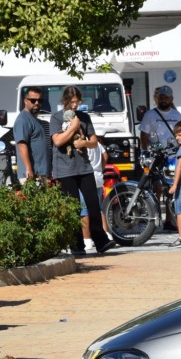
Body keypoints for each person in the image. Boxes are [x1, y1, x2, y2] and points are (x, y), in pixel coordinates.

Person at [50, 86, 116, 255]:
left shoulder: (85, 117)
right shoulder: (56, 118)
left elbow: (94, 141)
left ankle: (101, 241)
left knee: (93, 205)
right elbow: (57, 141)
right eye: (71, 102)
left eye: (77, 102)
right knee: (73, 209)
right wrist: (73, 127)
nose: (74, 105)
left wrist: (84, 143)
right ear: (64, 101)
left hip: (85, 168)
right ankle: (76, 244)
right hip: (65, 170)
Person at [14, 86, 51, 180]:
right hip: (32, 175)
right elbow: (22, 145)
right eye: (33, 100)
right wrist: (29, 169)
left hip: (41, 174)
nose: (37, 103)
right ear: (25, 101)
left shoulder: (34, 120)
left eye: (40, 100)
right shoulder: (23, 119)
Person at [80, 140, 108, 253]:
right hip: (98, 176)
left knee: (84, 209)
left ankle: (87, 240)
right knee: (98, 207)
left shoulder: (83, 143)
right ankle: (106, 233)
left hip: (88, 176)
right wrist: (101, 167)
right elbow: (105, 155)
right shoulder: (97, 143)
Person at [139, 85, 181, 149]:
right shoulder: (149, 114)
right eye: (161, 98)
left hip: (174, 155)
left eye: (166, 98)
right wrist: (147, 151)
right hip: (157, 154)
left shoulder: (177, 115)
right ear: (158, 98)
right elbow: (144, 135)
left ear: (171, 99)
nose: (163, 100)